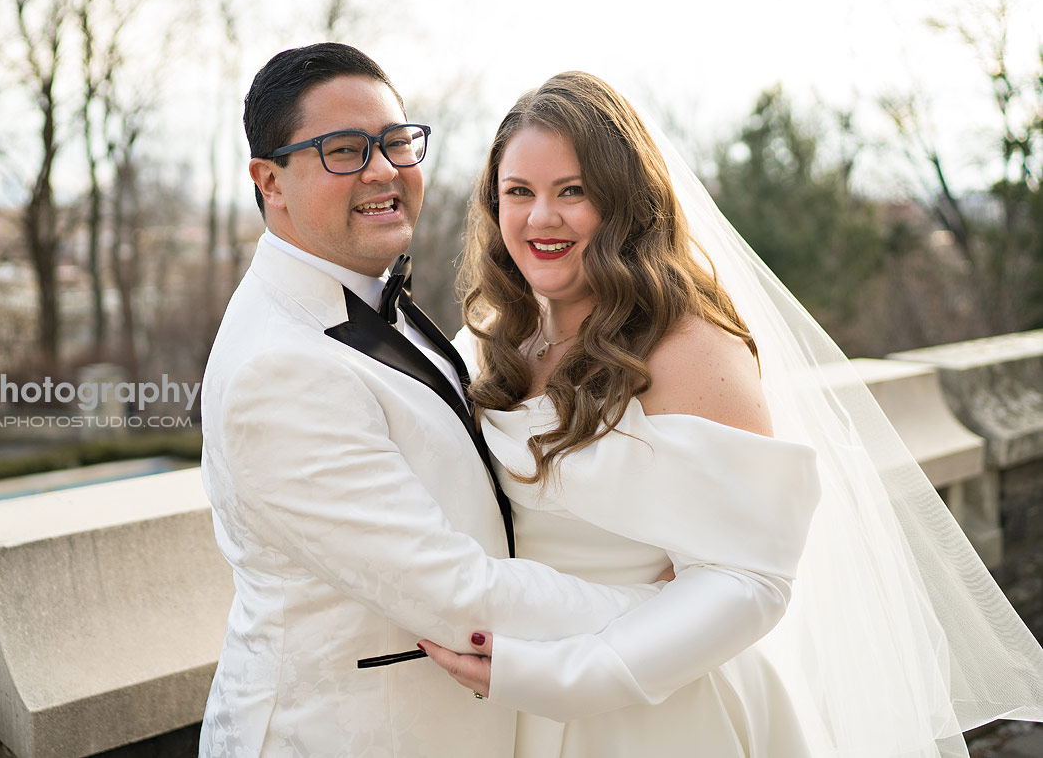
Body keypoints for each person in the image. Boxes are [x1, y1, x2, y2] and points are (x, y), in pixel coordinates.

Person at [421, 71, 1043, 757]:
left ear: (624, 202)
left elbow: (751, 577)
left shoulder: (690, 345)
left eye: (574, 191)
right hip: (509, 705)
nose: (542, 217)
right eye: (520, 192)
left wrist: (569, 675)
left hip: (659, 708)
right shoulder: (489, 336)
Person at [198, 45, 664, 758]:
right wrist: (649, 608)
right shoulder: (280, 368)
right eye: (344, 150)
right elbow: (455, 592)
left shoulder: (362, 288)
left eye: (394, 142)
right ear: (271, 182)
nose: (383, 170)